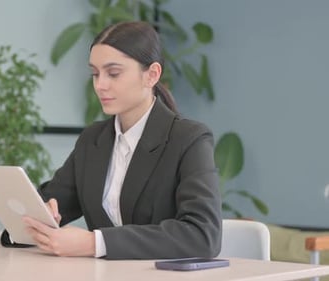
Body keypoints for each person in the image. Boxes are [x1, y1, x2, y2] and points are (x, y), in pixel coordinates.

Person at [21, 21, 222, 260]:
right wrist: (41, 214)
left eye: (113, 73)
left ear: (152, 75)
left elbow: (202, 235)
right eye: (95, 74)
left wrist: (95, 243)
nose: (100, 85)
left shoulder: (189, 140)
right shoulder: (92, 141)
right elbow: (49, 203)